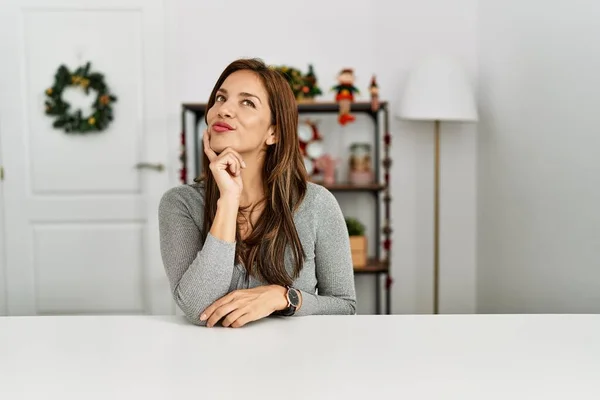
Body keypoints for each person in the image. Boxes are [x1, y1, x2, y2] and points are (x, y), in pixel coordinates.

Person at [158, 58, 356, 328]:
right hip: (209, 362)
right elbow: (197, 308)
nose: (224, 110)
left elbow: (345, 306)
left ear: (273, 132)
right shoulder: (180, 204)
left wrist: (284, 297)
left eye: (247, 102)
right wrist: (228, 200)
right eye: (220, 98)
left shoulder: (316, 204)